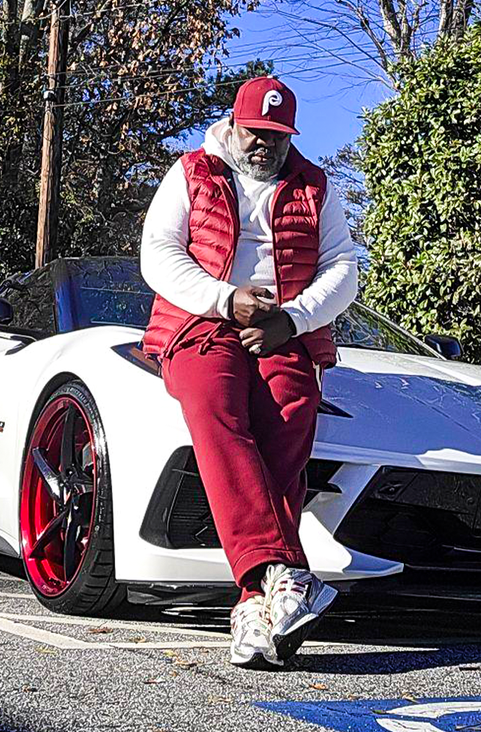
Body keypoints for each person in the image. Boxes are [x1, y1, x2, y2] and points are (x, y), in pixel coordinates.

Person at [139, 76, 359, 668]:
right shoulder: (191, 172)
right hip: (199, 324)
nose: (266, 145)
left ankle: (253, 607)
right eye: (256, 133)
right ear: (234, 126)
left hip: (283, 327)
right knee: (219, 413)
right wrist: (223, 298)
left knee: (291, 414)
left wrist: (294, 319)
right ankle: (281, 573)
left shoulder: (316, 186)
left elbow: (342, 265)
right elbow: (158, 251)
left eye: (278, 136)